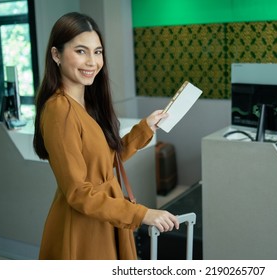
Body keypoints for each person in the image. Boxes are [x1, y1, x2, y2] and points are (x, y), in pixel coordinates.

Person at [32, 12, 179, 260]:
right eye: (81, 51)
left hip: (104, 216)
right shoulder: (59, 109)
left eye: (97, 52)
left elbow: (107, 159)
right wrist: (142, 214)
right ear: (56, 55)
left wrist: (146, 128)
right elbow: (78, 192)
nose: (92, 61)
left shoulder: (87, 102)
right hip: (83, 227)